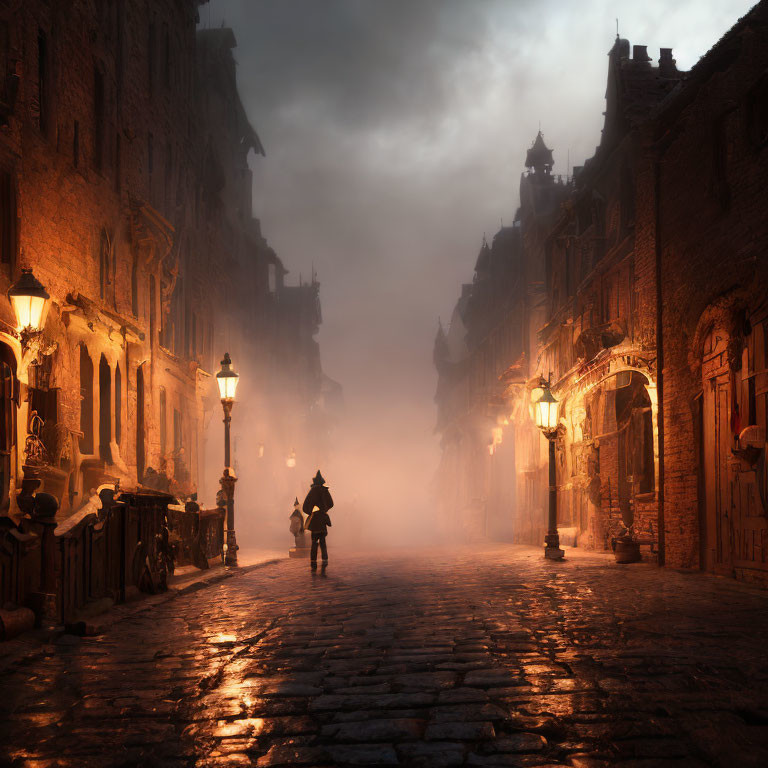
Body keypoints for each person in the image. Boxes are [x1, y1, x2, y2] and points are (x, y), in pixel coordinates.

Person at [302, 470, 333, 568]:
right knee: (323, 542)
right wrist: (324, 510)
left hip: (315, 521)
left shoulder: (313, 491)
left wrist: (311, 512)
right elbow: (331, 503)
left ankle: (313, 560)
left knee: (314, 542)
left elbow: (305, 506)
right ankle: (324, 558)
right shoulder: (325, 491)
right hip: (322, 521)